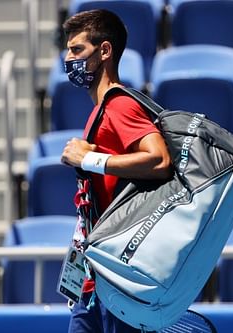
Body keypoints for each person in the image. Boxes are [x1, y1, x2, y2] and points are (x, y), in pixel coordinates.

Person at [59, 9, 173, 333]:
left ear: (104, 51)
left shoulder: (120, 105)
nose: (68, 59)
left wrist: (90, 160)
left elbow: (159, 160)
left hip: (119, 280)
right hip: (93, 278)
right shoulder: (99, 110)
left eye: (77, 50)